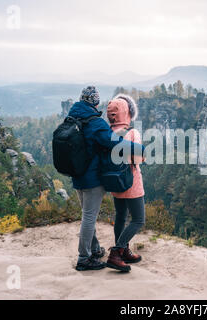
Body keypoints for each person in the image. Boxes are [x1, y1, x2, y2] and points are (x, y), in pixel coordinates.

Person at [68, 87, 145, 271]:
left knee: (110, 216)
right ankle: (88, 257)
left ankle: (96, 250)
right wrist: (137, 149)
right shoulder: (96, 123)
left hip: (77, 174)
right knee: (91, 217)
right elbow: (115, 143)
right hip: (94, 177)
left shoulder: (73, 119)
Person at [105, 94, 146, 273]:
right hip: (132, 182)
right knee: (138, 219)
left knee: (120, 216)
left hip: (114, 181)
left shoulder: (107, 133)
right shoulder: (132, 132)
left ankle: (124, 252)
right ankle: (117, 252)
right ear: (127, 113)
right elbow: (137, 158)